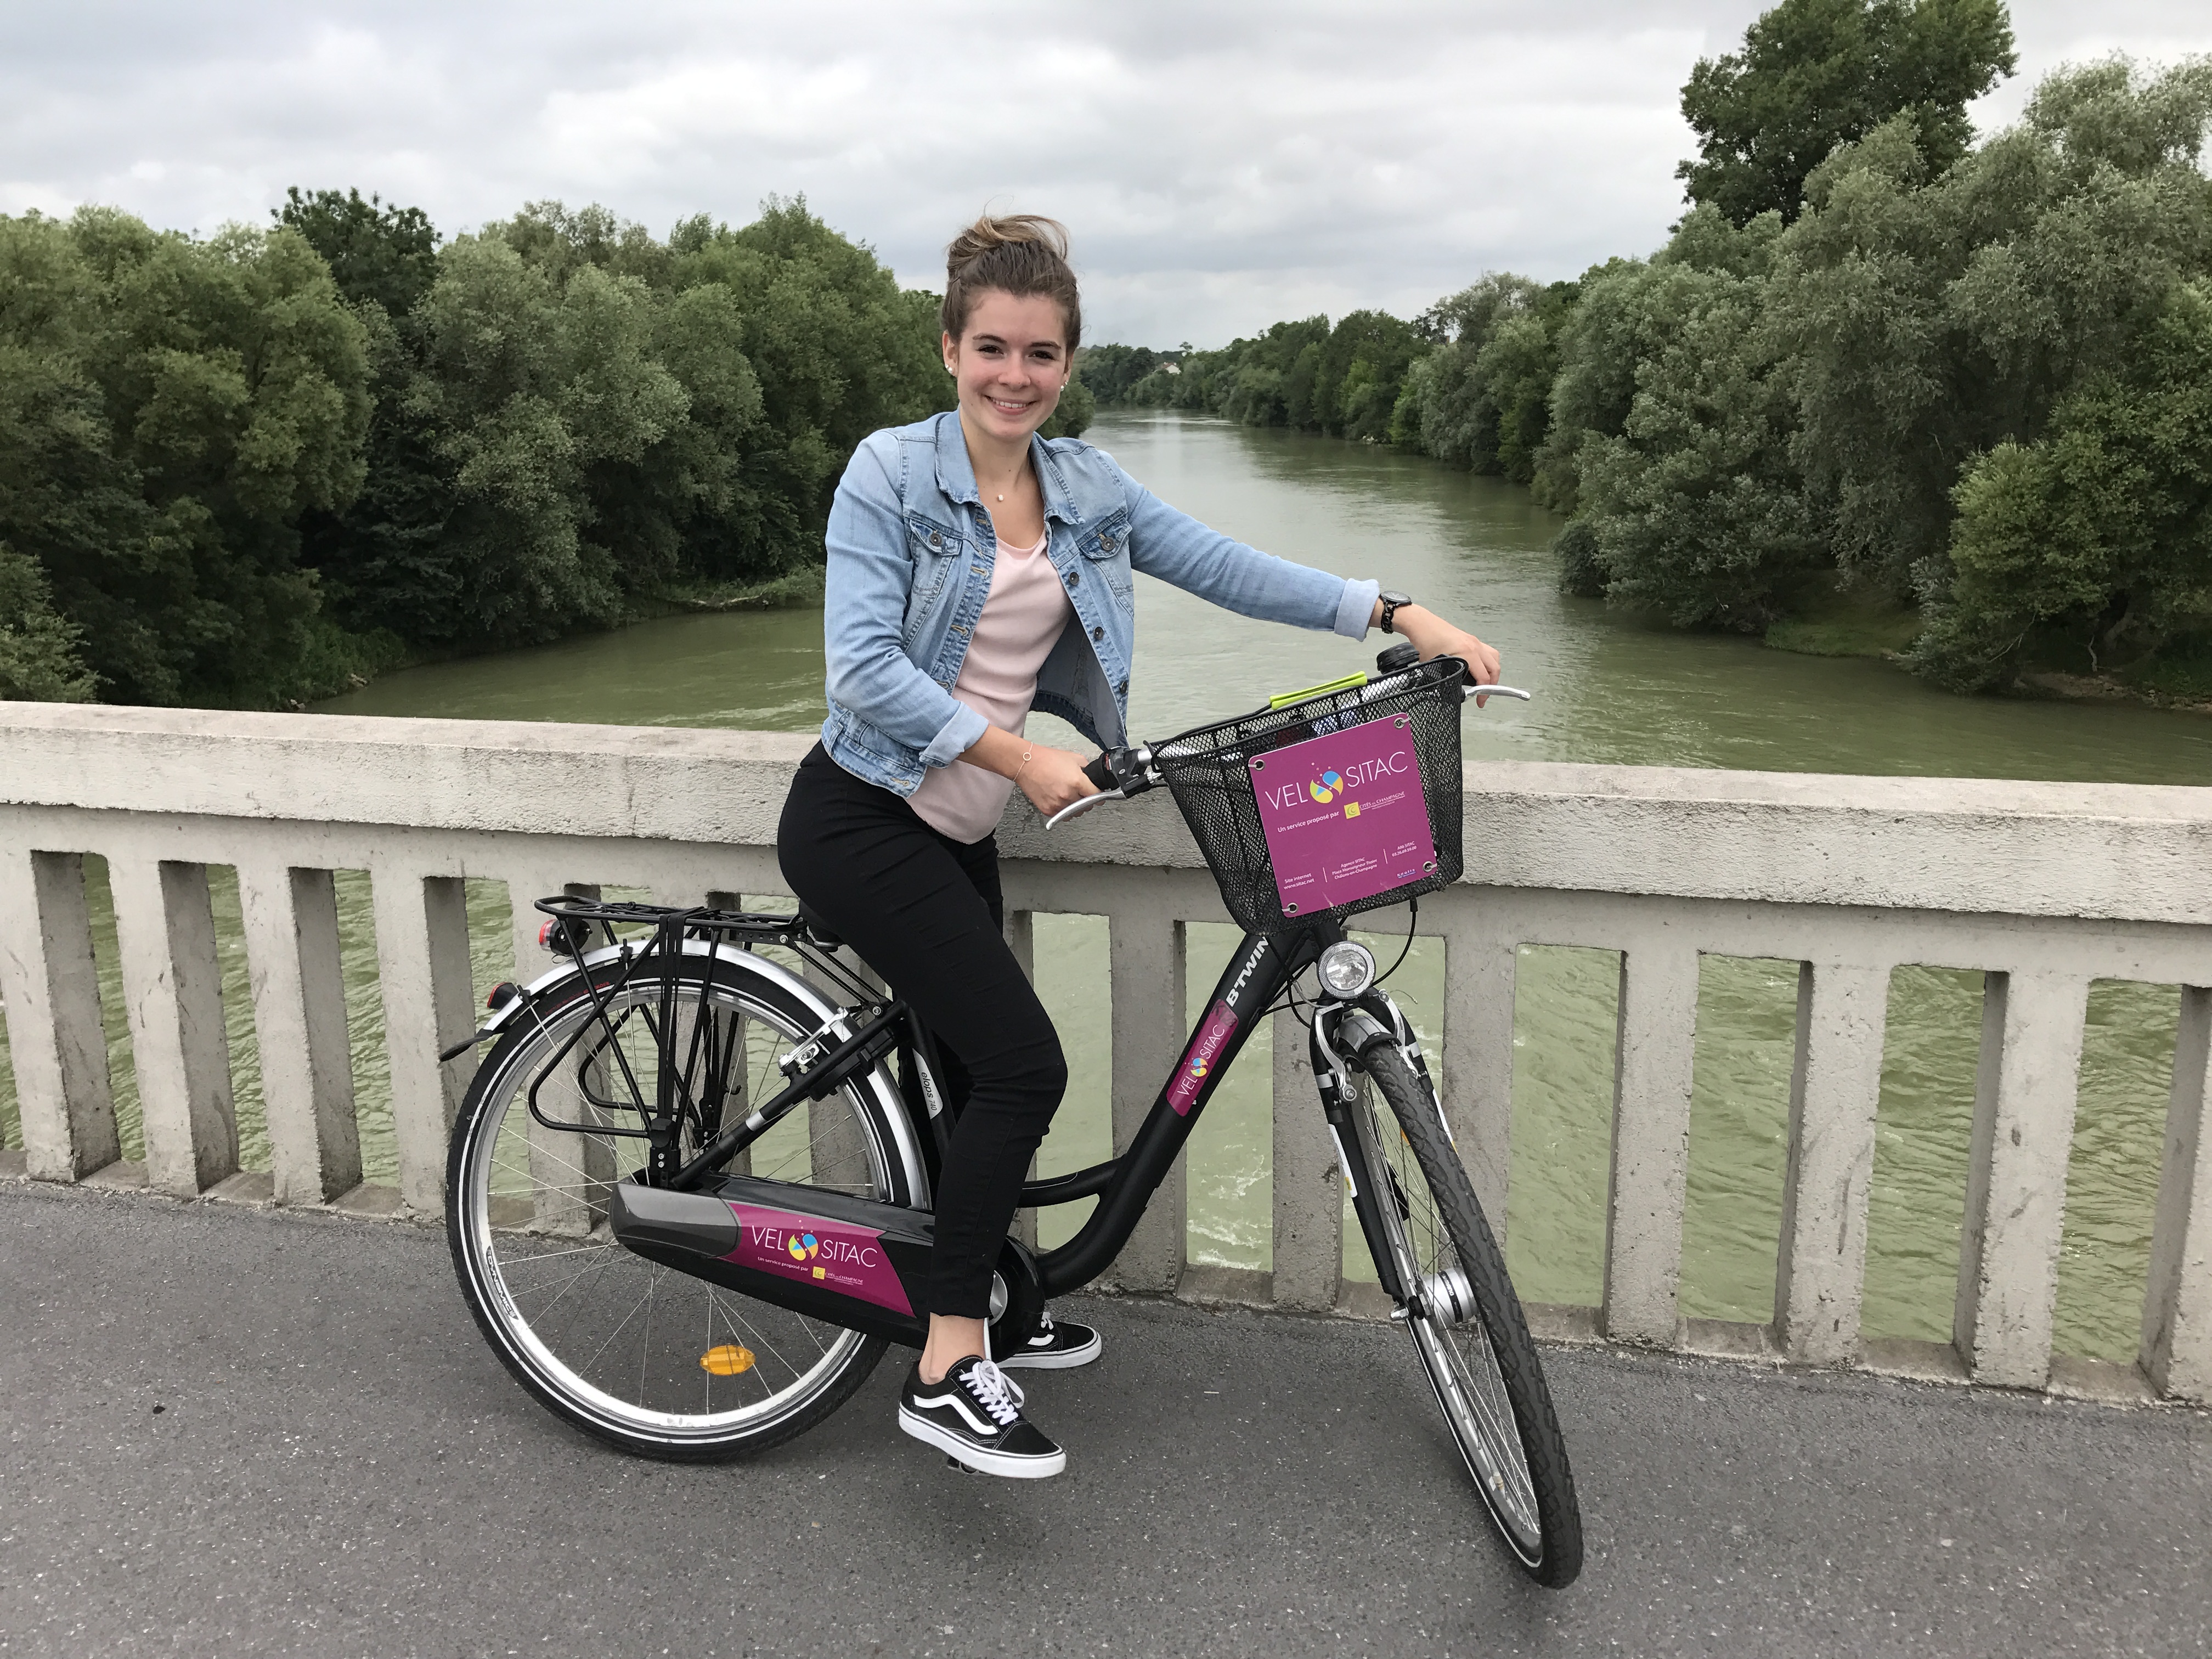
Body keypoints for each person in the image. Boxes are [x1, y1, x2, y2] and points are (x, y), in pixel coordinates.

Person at [776, 215, 1500, 1480]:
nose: (1015, 374)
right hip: (861, 817)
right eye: (991, 347)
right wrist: (1022, 759)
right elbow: (864, 671)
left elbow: (1227, 567)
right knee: (1023, 1069)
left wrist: (1395, 610)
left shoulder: (1089, 490)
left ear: (1068, 363)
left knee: (971, 1081)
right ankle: (948, 1366)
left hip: (954, 832)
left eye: (1040, 353)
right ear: (950, 347)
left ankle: (993, 1297)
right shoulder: (889, 473)